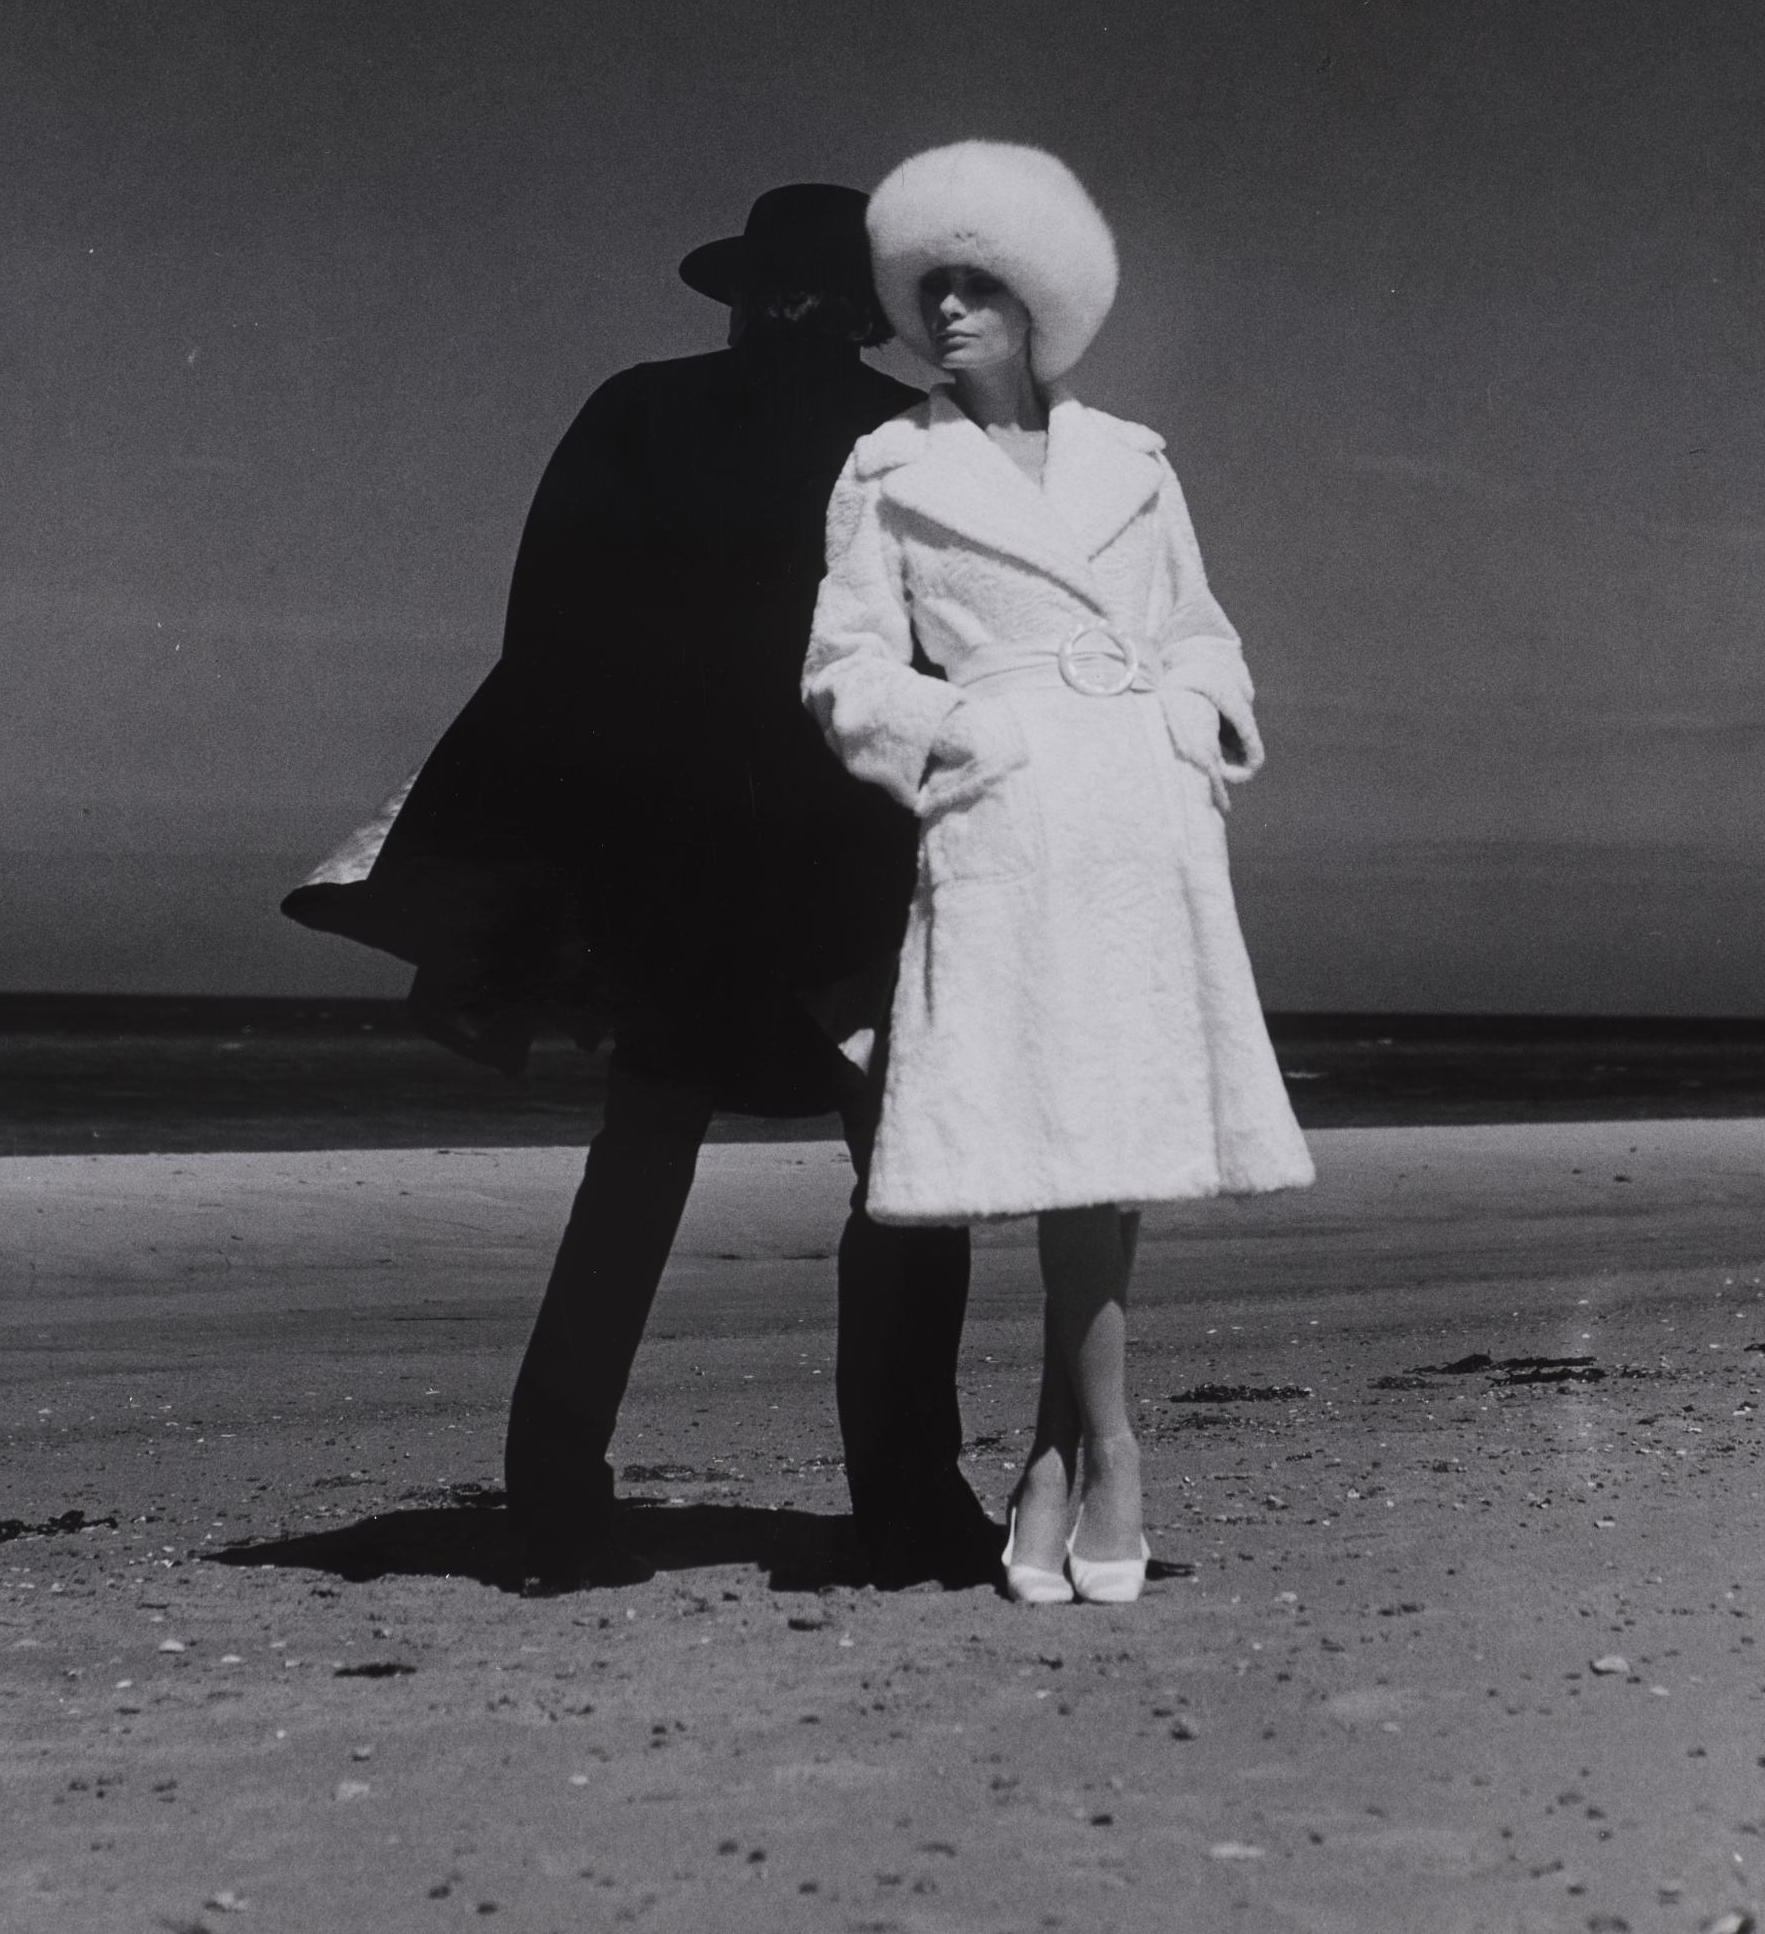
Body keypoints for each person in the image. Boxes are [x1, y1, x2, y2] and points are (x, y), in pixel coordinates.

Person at [803, 142, 1315, 1605]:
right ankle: (1108, 1448)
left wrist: (1192, 720)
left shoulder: (1135, 462)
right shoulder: (890, 467)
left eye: (979, 285)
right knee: (1053, 1130)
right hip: (1009, 808)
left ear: (1042, 299)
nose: (948, 311)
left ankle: (1057, 1459)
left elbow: (1200, 628)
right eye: (930, 288)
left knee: (1112, 1129)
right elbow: (843, 667)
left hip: (1140, 810)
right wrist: (964, 734)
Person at [496, 184, 1002, 1594]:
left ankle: (551, 1504)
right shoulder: (922, 441)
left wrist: (566, 867)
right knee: (905, 1172)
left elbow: (548, 642)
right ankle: (906, 1502)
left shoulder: (639, 411)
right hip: (852, 858)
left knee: (640, 1160)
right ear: (870, 316)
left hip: (674, 857)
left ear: (742, 298)